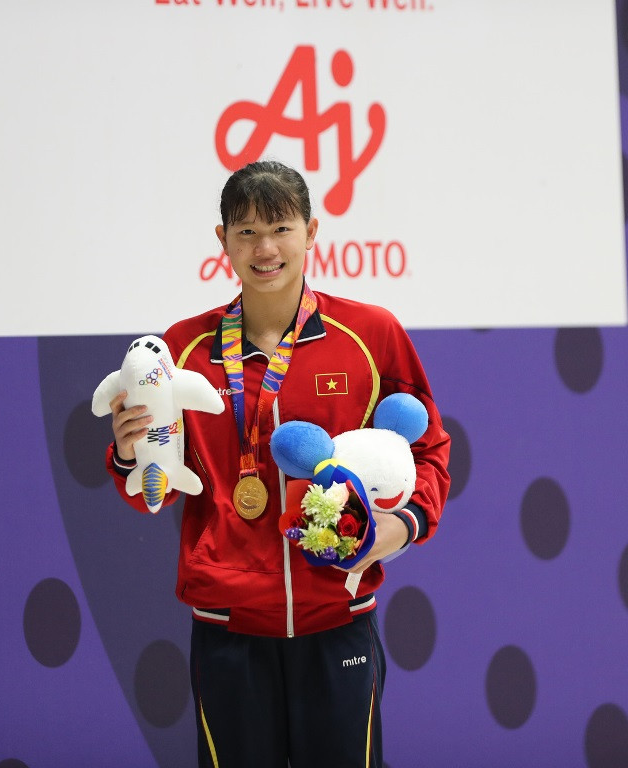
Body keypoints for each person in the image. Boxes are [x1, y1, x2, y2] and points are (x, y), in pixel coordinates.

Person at [104, 160, 451, 768]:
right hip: (228, 625)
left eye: (281, 229)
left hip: (337, 616)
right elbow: (149, 494)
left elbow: (429, 450)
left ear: (311, 232)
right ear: (223, 241)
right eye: (247, 233)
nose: (265, 250)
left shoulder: (369, 334)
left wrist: (403, 526)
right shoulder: (183, 350)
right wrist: (129, 452)